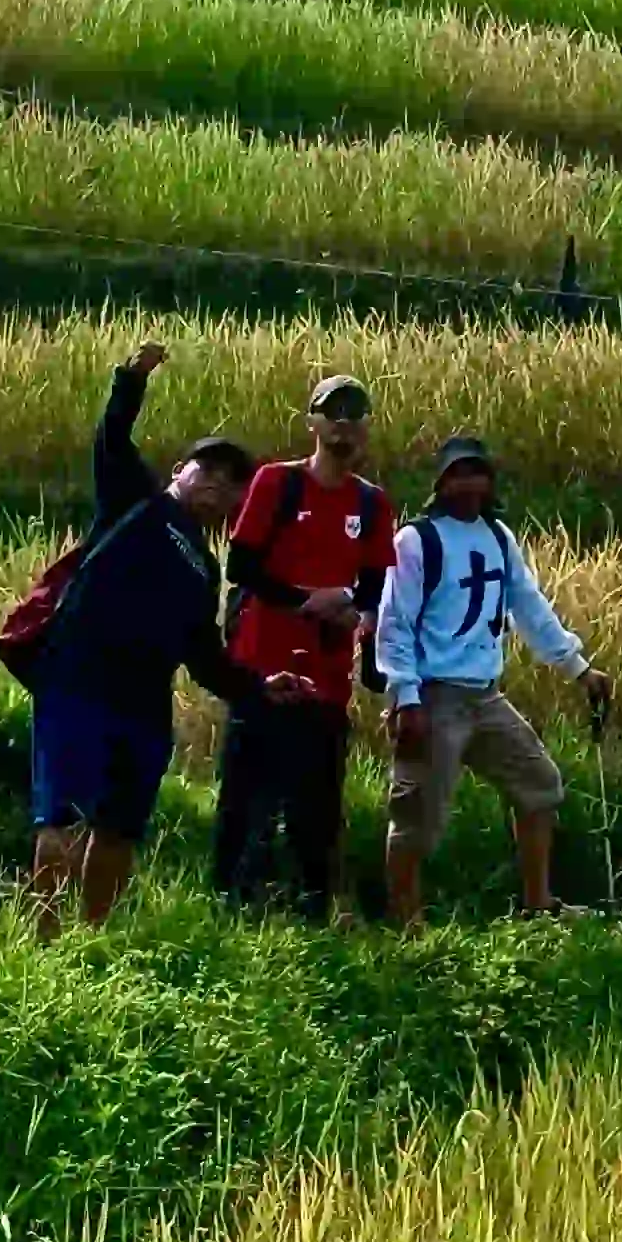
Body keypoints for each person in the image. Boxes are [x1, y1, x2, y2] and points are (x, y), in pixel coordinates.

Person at [29, 342, 309, 935]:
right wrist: (131, 381)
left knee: (120, 827)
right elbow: (111, 440)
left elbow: (205, 658)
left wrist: (261, 687)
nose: (216, 482)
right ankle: (42, 943)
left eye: (233, 481)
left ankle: (90, 943)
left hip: (143, 704)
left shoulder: (204, 570)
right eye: (205, 467)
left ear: (239, 504)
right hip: (79, 682)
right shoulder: (138, 503)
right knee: (63, 815)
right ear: (179, 472)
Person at [375, 436, 612, 925]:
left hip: (485, 696)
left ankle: (538, 903)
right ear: (441, 483)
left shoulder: (498, 537)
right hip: (434, 696)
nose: (469, 484)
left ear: (489, 482)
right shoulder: (417, 541)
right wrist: (406, 697)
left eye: (477, 473)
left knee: (539, 784)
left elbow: (529, 607)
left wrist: (579, 668)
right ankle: (405, 921)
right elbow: (394, 622)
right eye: (458, 474)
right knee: (418, 815)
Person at [212, 371, 397, 921]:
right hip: (261, 666)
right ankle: (230, 911)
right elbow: (241, 566)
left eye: (353, 414)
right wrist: (304, 601)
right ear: (312, 422)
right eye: (331, 412)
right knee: (246, 805)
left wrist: (343, 606)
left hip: (327, 674)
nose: (343, 425)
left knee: (317, 809)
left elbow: (375, 584)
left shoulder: (372, 504)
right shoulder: (277, 483)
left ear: (365, 428)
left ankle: (310, 917)